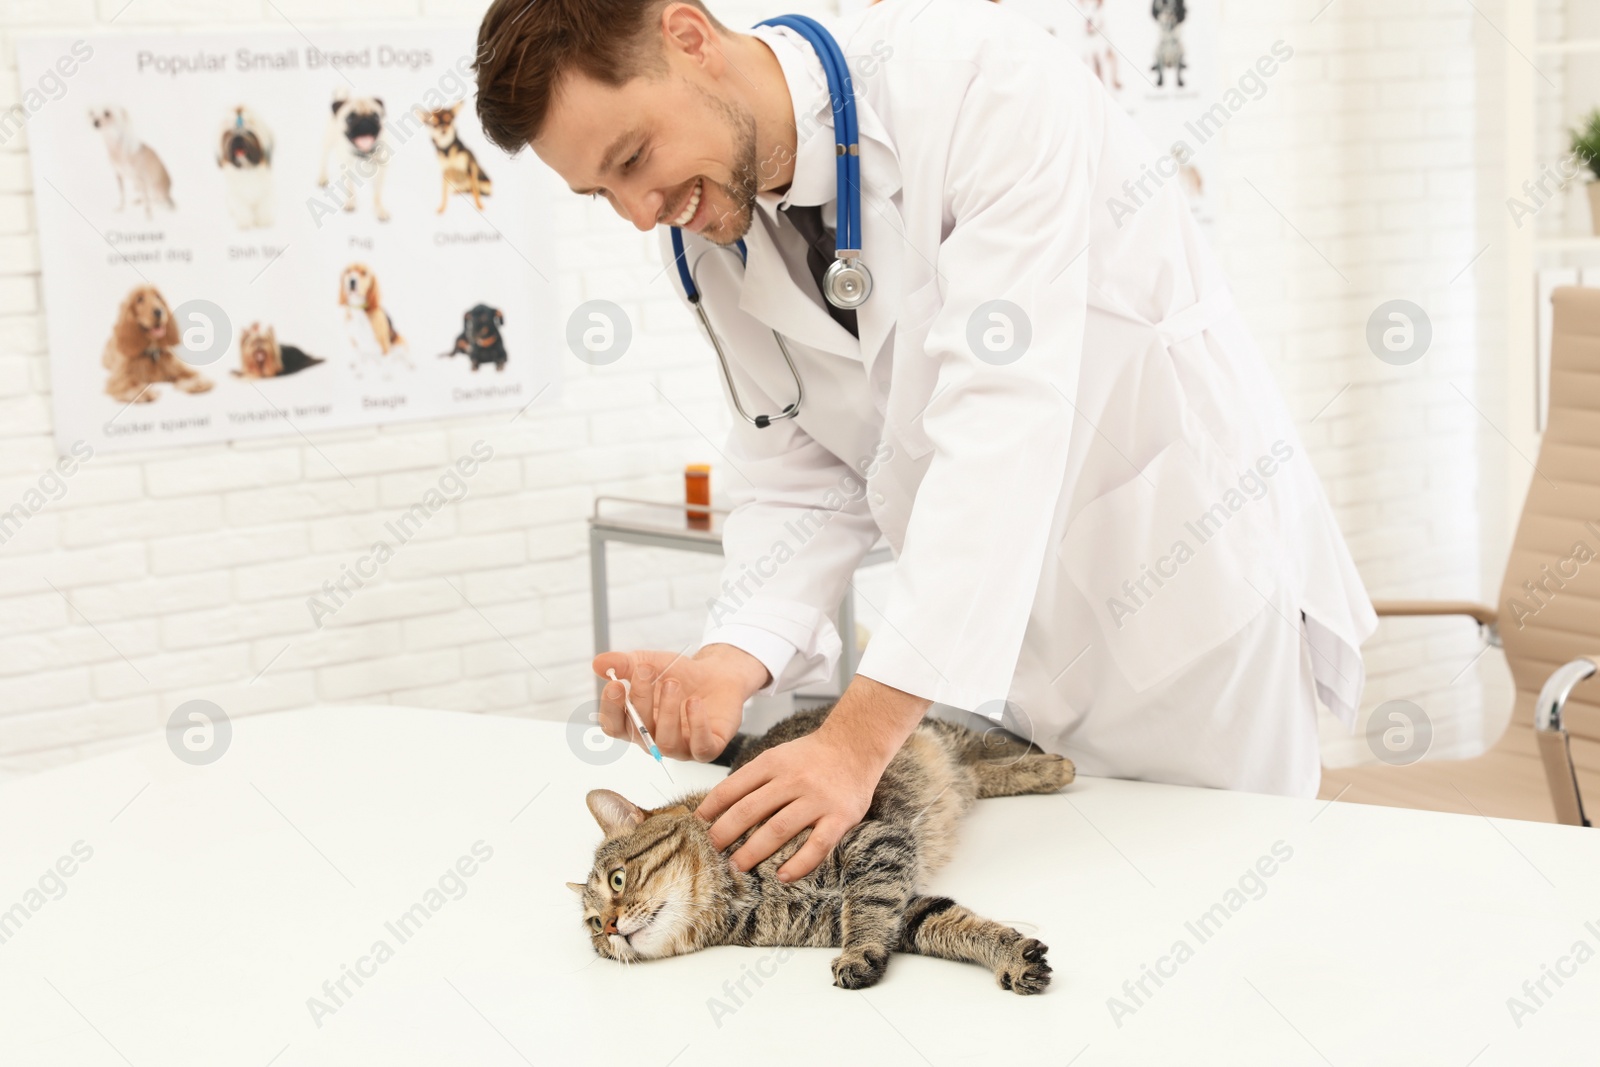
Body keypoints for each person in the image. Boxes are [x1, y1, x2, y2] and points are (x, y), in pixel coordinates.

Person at [472, 0, 1376, 884]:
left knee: (1233, 912)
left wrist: (857, 737)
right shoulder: (711, 231)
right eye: (603, 193)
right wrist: (732, 657)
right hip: (1021, 646)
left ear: (689, 36)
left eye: (634, 157)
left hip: (1184, 594)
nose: (641, 211)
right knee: (1092, 932)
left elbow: (1002, 425)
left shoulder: (981, 83)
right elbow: (799, 469)